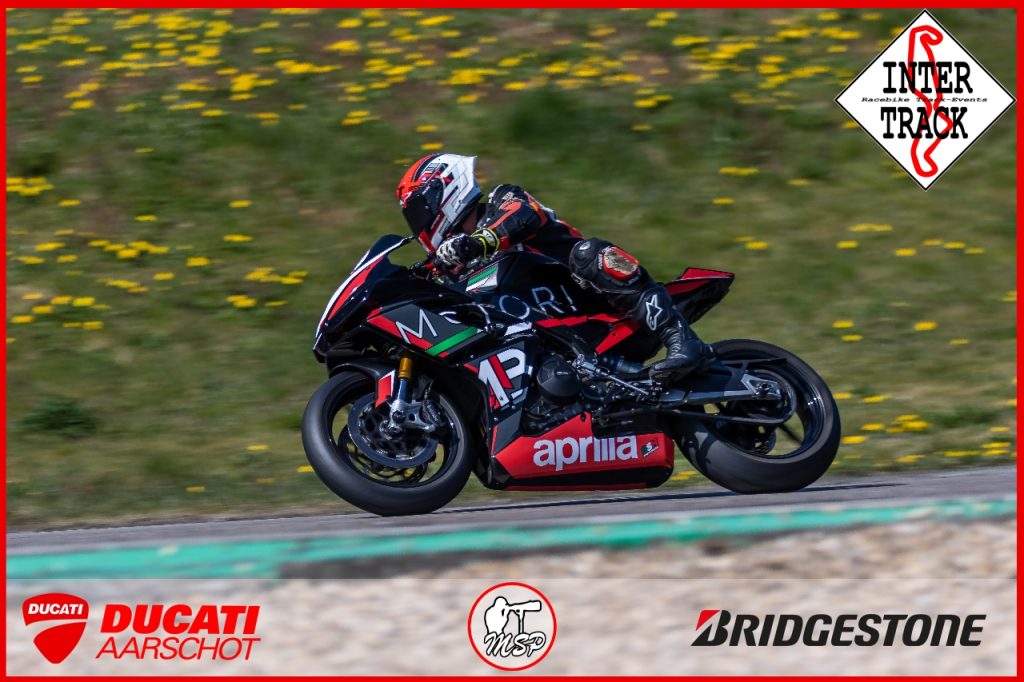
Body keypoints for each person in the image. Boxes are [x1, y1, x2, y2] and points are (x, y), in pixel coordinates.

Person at [395, 152, 715, 380]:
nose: (419, 223)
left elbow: (523, 216)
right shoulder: (452, 268)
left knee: (589, 253)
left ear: (446, 189)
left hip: (595, 303)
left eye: (419, 210)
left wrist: (477, 242)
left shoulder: (503, 200)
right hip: (549, 347)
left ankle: (681, 339)